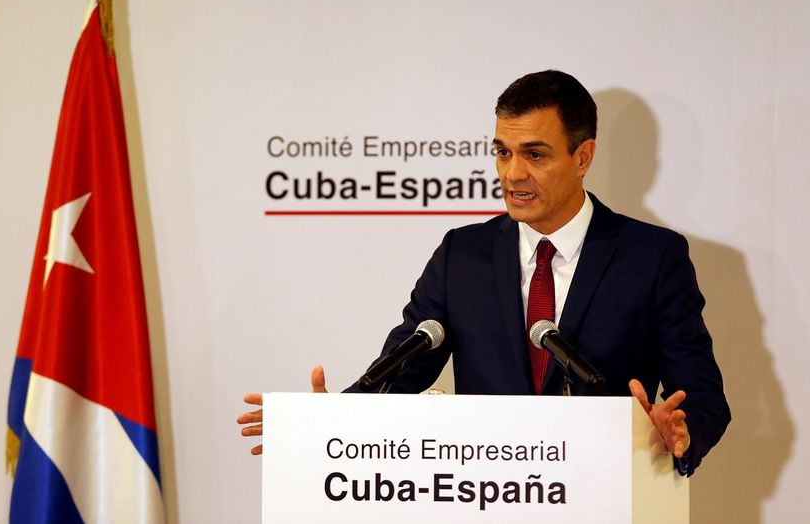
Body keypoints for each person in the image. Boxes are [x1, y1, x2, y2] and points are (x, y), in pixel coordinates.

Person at [238, 70, 730, 475]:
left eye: (534, 155)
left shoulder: (652, 257)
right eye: (502, 152)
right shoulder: (462, 255)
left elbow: (704, 396)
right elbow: (398, 375)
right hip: (489, 498)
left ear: (583, 157)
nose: (513, 174)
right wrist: (322, 427)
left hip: (605, 493)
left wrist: (680, 433)